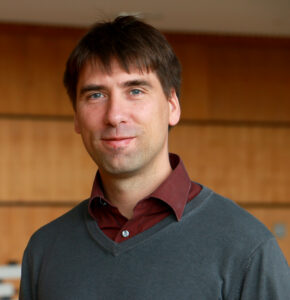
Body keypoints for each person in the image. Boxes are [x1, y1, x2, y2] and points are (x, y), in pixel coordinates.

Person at [20, 16, 290, 300]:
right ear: (76, 117)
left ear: (172, 106)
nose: (114, 115)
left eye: (135, 91)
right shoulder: (44, 250)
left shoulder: (247, 248)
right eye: (96, 95)